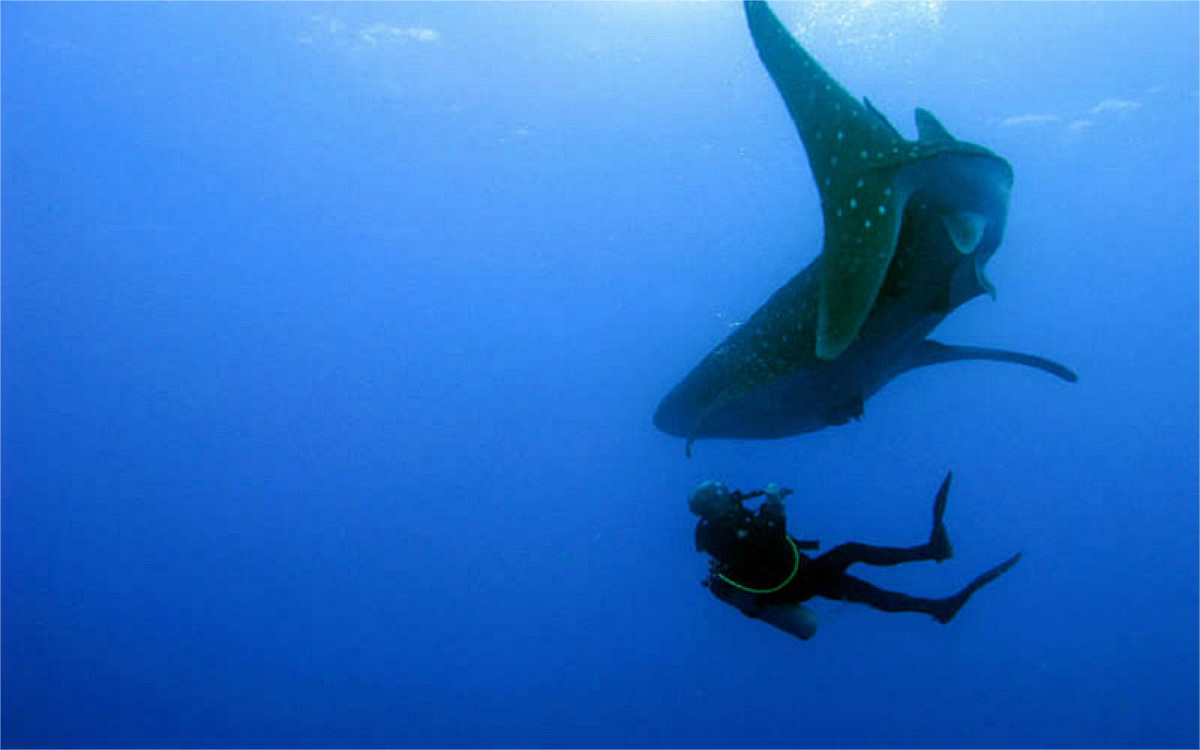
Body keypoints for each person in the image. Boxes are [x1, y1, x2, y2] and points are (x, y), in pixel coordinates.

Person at [690, 472, 1021, 641]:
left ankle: (932, 555)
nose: (728, 493)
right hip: (793, 584)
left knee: (851, 553)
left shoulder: (721, 527)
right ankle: (938, 604)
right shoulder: (723, 529)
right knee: (866, 589)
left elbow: (763, 539)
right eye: (720, 492)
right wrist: (775, 503)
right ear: (712, 505)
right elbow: (770, 536)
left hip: (794, 575)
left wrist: (769, 509)